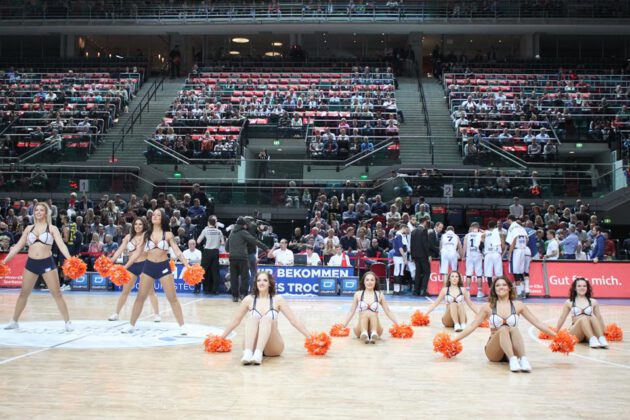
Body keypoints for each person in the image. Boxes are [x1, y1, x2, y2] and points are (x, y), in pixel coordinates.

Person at [454, 277, 557, 372]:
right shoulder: (488, 307)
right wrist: (453, 341)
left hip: (513, 347)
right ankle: (513, 360)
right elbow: (472, 326)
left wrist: (557, 337)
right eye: (497, 285)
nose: (501, 287)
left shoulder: (518, 305)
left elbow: (537, 323)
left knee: (513, 328)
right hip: (494, 351)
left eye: (504, 285)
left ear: (509, 288)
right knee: (503, 328)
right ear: (494, 289)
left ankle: (523, 359)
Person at [3, 203, 75, 332]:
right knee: (23, 293)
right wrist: (4, 261)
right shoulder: (28, 228)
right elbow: (18, 246)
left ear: (46, 213)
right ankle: (14, 321)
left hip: (47, 263)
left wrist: (70, 259)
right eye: (36, 210)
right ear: (34, 212)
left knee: (57, 294)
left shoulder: (52, 228)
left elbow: (62, 245)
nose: (39, 212)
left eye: (42, 210)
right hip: (31, 264)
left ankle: (67, 322)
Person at [220, 271, 311, 365]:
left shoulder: (278, 299)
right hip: (252, 345)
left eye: (265, 280)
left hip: (272, 346)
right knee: (252, 318)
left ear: (270, 283)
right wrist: (220, 339)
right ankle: (248, 353)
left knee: (266, 319)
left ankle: (258, 354)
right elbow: (236, 321)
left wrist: (311, 338)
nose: (261, 283)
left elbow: (294, 321)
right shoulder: (248, 299)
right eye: (259, 280)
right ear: (255, 283)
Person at [124, 209, 191, 335]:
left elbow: (177, 251)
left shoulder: (168, 234)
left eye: (158, 215)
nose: (155, 216)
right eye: (153, 214)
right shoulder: (146, 234)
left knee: (172, 298)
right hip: (148, 267)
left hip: (163, 267)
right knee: (140, 297)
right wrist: (125, 267)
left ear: (162, 218)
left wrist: (187, 265)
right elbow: (136, 254)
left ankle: (182, 326)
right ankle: (131, 325)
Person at [108, 217, 160, 322]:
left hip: (145, 265)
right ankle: (116, 313)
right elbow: (120, 250)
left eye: (140, 224)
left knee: (150, 292)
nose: (138, 226)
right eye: (136, 224)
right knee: (125, 291)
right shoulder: (128, 237)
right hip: (132, 266)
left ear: (144, 225)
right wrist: (110, 261)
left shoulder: (147, 236)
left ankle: (157, 314)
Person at [339, 271, 400, 343]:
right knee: (365, 313)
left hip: (377, 329)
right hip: (360, 329)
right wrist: (342, 326)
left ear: (375, 282)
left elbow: (388, 311)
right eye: (367, 280)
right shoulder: (358, 294)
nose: (369, 282)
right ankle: (364, 333)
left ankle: (373, 333)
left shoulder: (379, 294)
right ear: (364, 282)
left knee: (372, 313)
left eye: (372, 280)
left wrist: (399, 325)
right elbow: (351, 311)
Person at [555, 278, 609, 348]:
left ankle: (601, 338)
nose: (582, 288)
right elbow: (562, 318)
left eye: (584, 286)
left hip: (589, 332)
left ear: (587, 288)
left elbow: (599, 318)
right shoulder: (569, 302)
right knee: (583, 318)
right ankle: (592, 339)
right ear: (575, 288)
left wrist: (605, 331)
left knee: (592, 316)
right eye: (579, 286)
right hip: (576, 332)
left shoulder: (593, 302)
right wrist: (555, 332)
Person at [226, 217, 270, 302]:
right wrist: (266, 248)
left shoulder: (231, 233)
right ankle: (243, 295)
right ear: (242, 225)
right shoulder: (243, 232)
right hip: (242, 258)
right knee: (244, 277)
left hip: (232, 258)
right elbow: (254, 241)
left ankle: (235, 296)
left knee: (234, 278)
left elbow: (227, 248)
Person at [197, 216, 224, 294]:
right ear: (215, 223)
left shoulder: (205, 230)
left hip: (207, 252)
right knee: (215, 272)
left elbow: (198, 241)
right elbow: (222, 243)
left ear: (208, 222)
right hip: (215, 252)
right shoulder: (219, 231)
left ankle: (198, 288)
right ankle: (215, 290)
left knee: (202, 271)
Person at [506, 216, 530, 298]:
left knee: (515, 271)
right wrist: (523, 246)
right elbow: (527, 239)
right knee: (520, 271)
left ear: (509, 219)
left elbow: (512, 241)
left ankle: (519, 292)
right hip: (523, 250)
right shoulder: (522, 228)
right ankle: (523, 291)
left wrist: (509, 254)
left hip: (516, 251)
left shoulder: (512, 227)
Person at [410, 216, 431, 295]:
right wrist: (428, 255)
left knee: (418, 273)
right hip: (423, 255)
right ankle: (423, 290)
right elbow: (425, 244)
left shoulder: (413, 231)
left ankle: (416, 291)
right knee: (426, 272)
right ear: (425, 222)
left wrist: (412, 256)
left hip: (415, 256)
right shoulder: (424, 230)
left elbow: (411, 244)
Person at [482, 220, 504, 293]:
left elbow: (481, 244)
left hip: (488, 254)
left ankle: (491, 291)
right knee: (499, 274)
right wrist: (502, 253)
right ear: (496, 226)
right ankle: (499, 291)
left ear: (488, 226)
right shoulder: (500, 233)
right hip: (497, 253)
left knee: (488, 274)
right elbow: (503, 245)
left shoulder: (484, 233)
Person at [463, 222, 483, 293]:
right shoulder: (481, 234)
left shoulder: (467, 235)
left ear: (471, 227)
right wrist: (482, 231)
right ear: (478, 227)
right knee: (479, 274)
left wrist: (463, 256)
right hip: (478, 255)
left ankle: (467, 291)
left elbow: (464, 247)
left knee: (468, 274)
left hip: (469, 256)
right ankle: (479, 292)